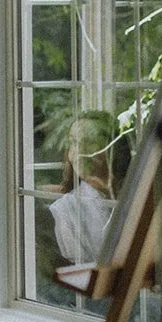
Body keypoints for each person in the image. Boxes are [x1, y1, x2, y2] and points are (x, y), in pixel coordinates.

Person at [48, 109, 132, 265]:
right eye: (73, 142)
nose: (79, 151)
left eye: (90, 141)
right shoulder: (65, 209)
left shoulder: (137, 195)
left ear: (113, 147)